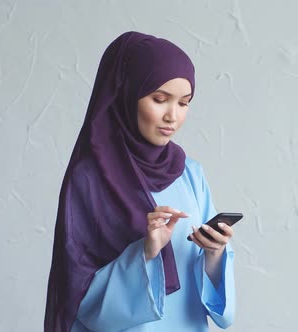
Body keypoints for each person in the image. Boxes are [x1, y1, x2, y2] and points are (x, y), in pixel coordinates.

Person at [44, 31, 235, 332]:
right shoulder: (90, 179)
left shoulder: (190, 173)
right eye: (159, 99)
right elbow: (75, 293)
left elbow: (213, 297)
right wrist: (145, 251)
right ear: (126, 94)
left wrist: (215, 253)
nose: (172, 115)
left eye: (184, 103)